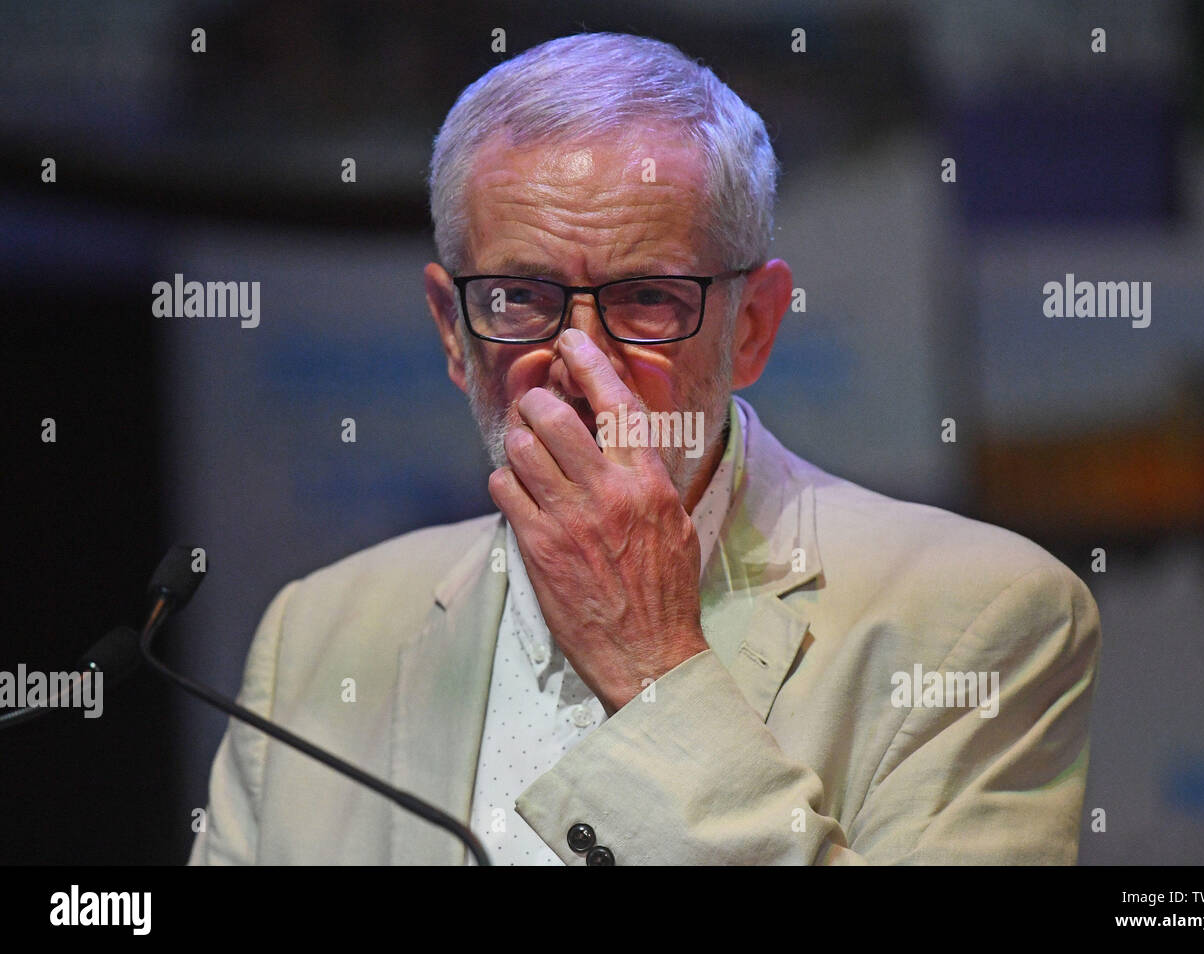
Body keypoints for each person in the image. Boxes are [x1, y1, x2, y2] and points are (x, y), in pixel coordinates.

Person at [189, 31, 1101, 866]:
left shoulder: (982, 619)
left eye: (646, 299)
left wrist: (651, 659)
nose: (579, 359)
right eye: (518, 296)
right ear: (451, 330)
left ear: (752, 327)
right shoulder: (317, 632)